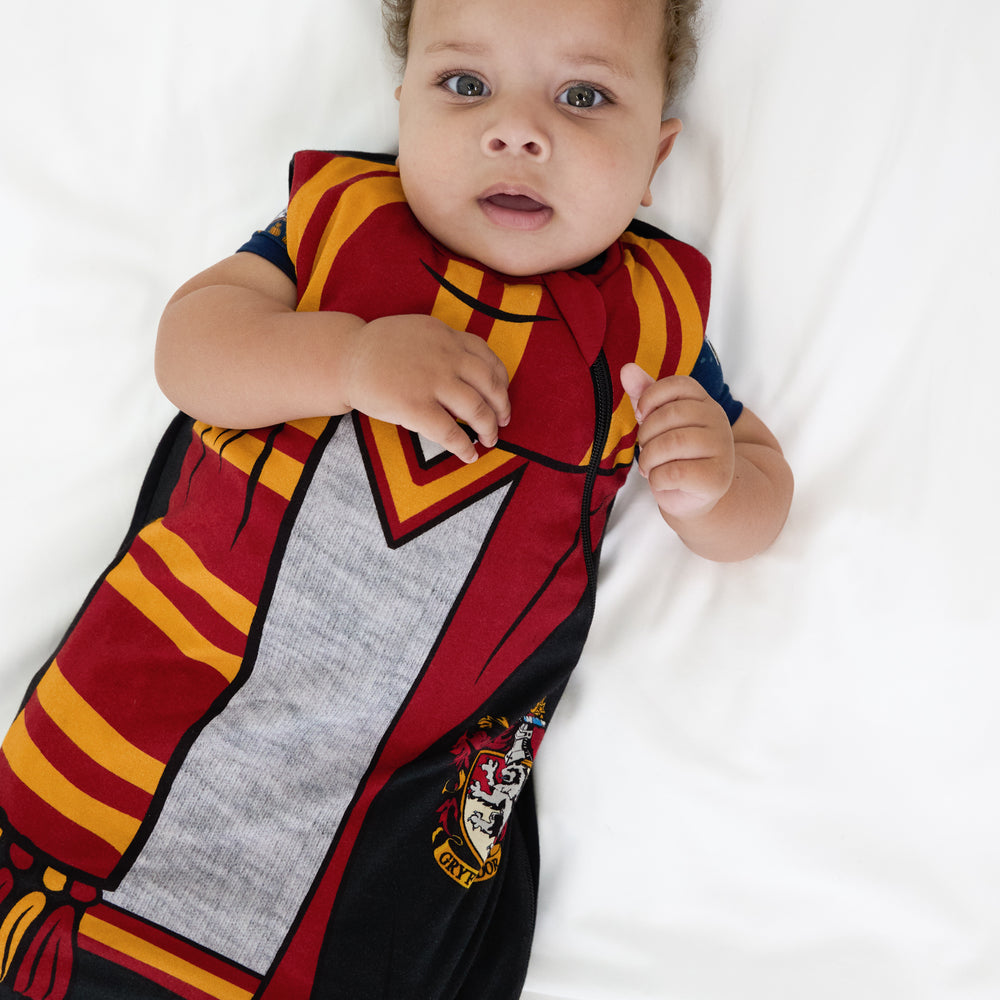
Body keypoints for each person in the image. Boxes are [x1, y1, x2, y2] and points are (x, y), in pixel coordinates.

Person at [0, 0, 792, 997]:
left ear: (655, 156)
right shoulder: (334, 237)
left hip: (399, 802)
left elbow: (757, 504)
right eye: (464, 86)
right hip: (173, 706)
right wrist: (347, 355)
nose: (515, 130)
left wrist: (715, 476)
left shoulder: (650, 328)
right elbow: (190, 354)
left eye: (582, 97)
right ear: (403, 103)